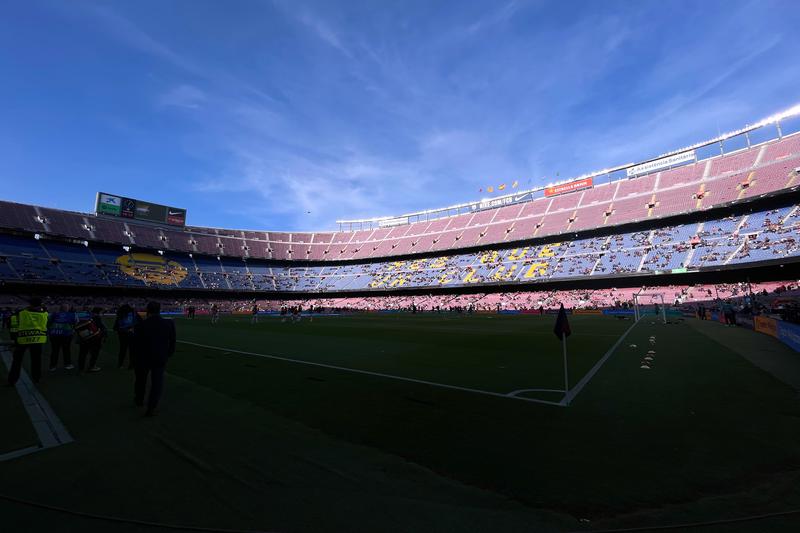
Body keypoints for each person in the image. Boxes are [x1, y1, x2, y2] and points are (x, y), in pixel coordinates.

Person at [133, 301, 176, 416]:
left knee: (141, 380)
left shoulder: (141, 325)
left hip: (143, 357)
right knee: (157, 383)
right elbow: (172, 342)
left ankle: (139, 400)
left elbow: (136, 344)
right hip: (160, 357)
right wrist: (168, 354)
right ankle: (151, 407)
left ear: (148, 310)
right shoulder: (168, 324)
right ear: (159, 310)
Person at [7, 298, 48, 386]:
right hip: (37, 340)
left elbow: (13, 321)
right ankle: (37, 379)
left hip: (22, 340)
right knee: (36, 361)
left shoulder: (21, 313)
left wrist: (13, 338)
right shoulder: (44, 314)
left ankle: (12, 380)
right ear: (40, 305)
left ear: (30, 304)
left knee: (17, 361)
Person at [76, 307, 106, 373]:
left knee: (82, 354)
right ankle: (92, 367)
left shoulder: (86, 316)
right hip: (94, 339)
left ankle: (81, 368)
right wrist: (103, 337)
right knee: (94, 354)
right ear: (99, 312)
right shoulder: (97, 318)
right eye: (101, 312)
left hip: (84, 339)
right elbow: (101, 329)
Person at [48, 303, 76, 371]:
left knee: (55, 350)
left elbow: (49, 322)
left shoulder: (54, 314)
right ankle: (67, 364)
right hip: (66, 335)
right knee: (66, 350)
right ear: (67, 308)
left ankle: (52, 366)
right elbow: (75, 322)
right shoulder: (71, 315)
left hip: (54, 334)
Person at [113, 304, 140, 369]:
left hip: (122, 335)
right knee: (132, 350)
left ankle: (120, 364)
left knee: (123, 350)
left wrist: (122, 329)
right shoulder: (133, 314)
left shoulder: (120, 315)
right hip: (130, 334)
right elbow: (139, 322)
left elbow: (115, 327)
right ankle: (131, 365)